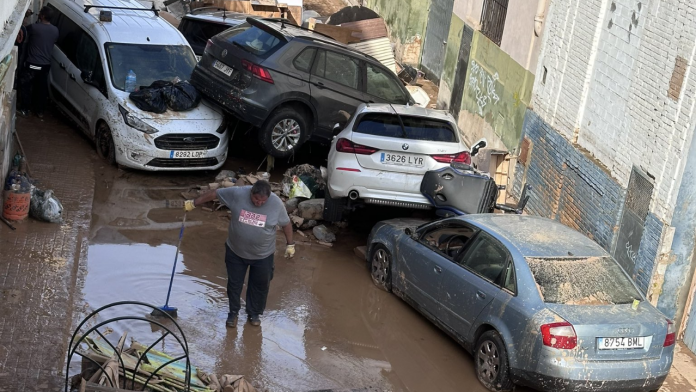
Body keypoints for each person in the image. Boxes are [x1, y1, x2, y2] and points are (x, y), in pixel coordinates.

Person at [185, 181, 295, 327]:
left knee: (260, 285)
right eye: (256, 199)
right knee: (234, 284)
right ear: (251, 193)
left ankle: (254, 314)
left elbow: (286, 224)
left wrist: (290, 244)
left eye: (263, 201)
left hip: (263, 255)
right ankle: (233, 313)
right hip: (236, 252)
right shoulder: (238, 193)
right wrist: (194, 203)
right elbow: (214, 193)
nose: (259, 203)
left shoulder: (276, 203)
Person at [17, 6, 59, 119]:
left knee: (26, 85)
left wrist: (25, 16)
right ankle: (40, 111)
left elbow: (21, 30)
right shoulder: (55, 30)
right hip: (45, 66)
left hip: (32, 63)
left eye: (40, 13)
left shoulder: (34, 28)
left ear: (43, 16)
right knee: (41, 88)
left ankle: (25, 109)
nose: (38, 14)